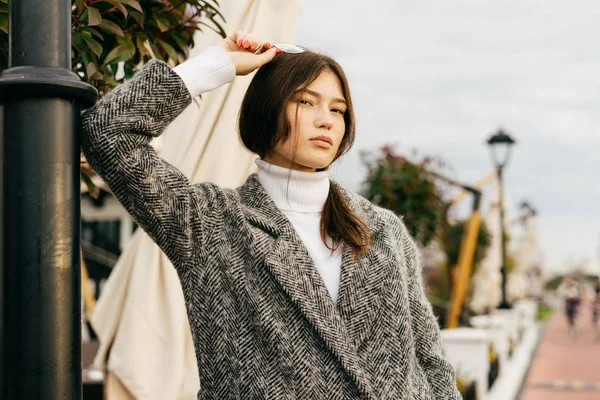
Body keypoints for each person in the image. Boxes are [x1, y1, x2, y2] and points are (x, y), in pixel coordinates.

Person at [81, 31, 461, 399]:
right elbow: (108, 133)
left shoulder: (382, 229)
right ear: (268, 107)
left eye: (338, 109)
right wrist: (217, 64)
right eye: (306, 102)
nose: (326, 119)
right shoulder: (209, 222)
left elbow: (431, 362)